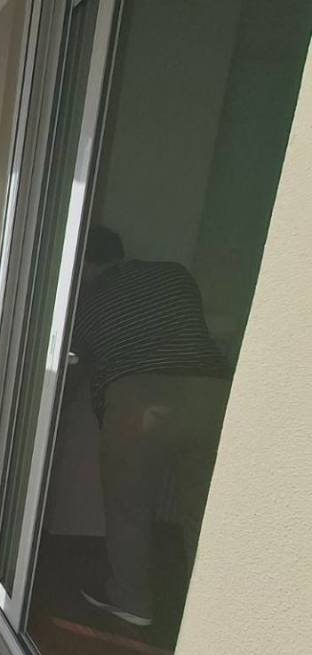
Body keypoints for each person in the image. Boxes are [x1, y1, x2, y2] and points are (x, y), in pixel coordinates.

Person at [71, 227, 231, 627]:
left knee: (129, 506)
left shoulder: (87, 297)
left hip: (141, 402)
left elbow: (77, 357)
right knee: (207, 510)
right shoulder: (176, 274)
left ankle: (132, 601)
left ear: (84, 264)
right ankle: (211, 614)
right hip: (214, 395)